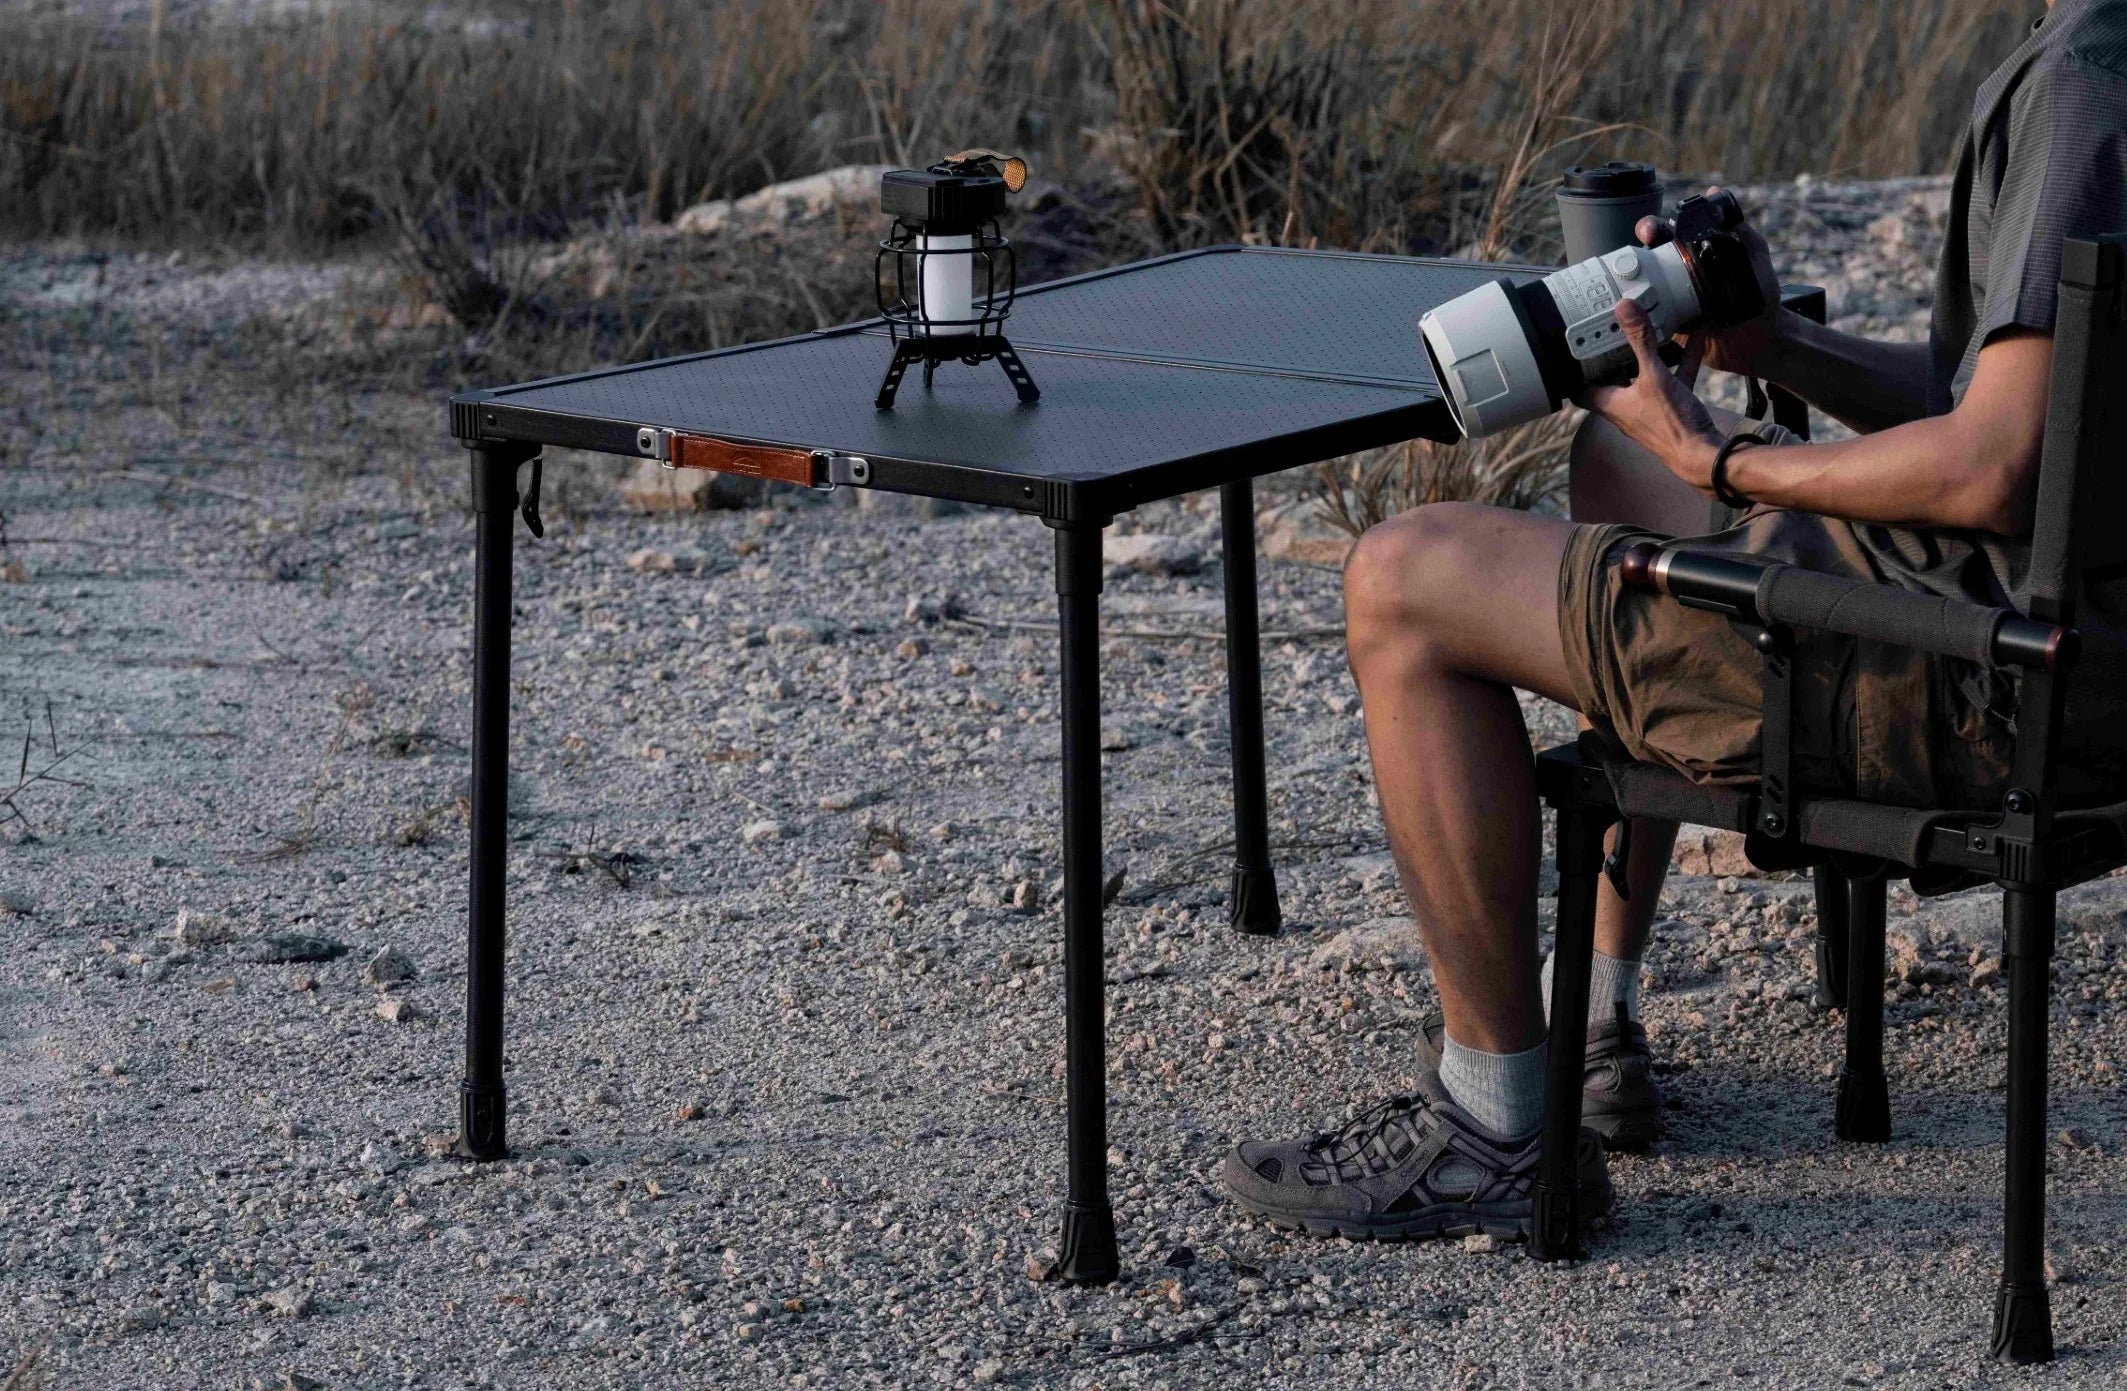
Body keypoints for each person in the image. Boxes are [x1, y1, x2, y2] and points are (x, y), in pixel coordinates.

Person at [1223, 0, 2127, 1240]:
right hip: (2081, 641)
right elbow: (2028, 408)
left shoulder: (2086, 80)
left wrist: (1727, 457)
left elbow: (1994, 468)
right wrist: (1782, 345)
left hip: (1997, 679)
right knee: (1618, 463)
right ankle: (1593, 1010)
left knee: (1402, 577)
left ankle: (1492, 1120)